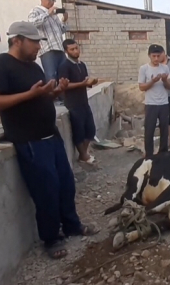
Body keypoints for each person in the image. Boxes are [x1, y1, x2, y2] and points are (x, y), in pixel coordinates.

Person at [0, 21, 97, 260]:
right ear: (17, 40)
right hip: (29, 140)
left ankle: (72, 225)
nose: (38, 48)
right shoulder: (3, 64)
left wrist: (56, 91)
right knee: (47, 191)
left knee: (66, 184)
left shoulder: (34, 67)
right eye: (34, 42)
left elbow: (42, 96)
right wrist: (32, 94)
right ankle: (51, 238)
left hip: (50, 135)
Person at [58, 39, 98, 164]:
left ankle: (83, 154)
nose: (75, 51)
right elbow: (65, 85)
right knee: (79, 131)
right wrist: (83, 83)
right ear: (66, 51)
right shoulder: (64, 66)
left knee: (90, 130)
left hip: (83, 102)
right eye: (72, 49)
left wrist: (91, 83)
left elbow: (85, 82)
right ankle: (83, 156)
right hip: (73, 104)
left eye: (76, 48)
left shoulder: (81, 65)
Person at [28, 0, 67, 92]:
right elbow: (32, 24)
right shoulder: (35, 11)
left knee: (62, 74)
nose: (51, 2)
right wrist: (47, 13)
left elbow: (62, 30)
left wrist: (64, 19)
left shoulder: (53, 14)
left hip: (59, 47)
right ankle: (51, 97)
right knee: (51, 75)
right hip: (47, 48)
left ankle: (62, 97)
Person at [138, 44, 170, 158]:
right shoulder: (144, 69)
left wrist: (163, 80)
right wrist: (152, 81)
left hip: (164, 103)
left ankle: (163, 153)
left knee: (164, 130)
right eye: (154, 56)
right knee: (149, 130)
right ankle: (149, 154)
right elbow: (142, 87)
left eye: (158, 56)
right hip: (150, 104)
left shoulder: (165, 68)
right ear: (149, 56)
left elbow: (169, 86)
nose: (156, 59)